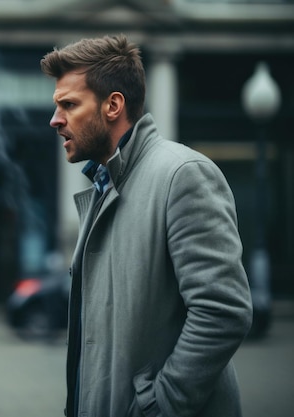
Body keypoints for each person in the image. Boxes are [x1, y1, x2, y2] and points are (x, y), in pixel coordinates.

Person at [40, 35, 253, 417]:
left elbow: (223, 310)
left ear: (113, 105)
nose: (55, 119)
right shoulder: (107, 184)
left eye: (68, 104)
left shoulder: (183, 175)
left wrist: (159, 406)